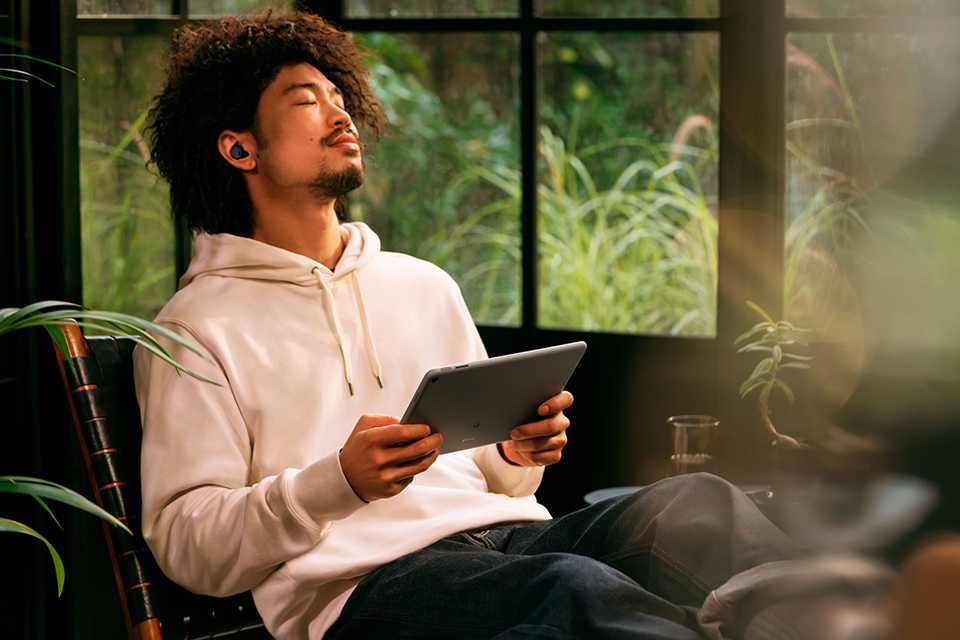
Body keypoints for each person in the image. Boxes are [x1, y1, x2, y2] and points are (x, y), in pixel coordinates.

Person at [134, 11, 793, 639]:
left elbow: (494, 475)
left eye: (339, 95)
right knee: (574, 589)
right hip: (366, 586)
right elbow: (188, 545)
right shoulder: (196, 327)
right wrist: (336, 482)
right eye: (307, 101)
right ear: (239, 147)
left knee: (695, 508)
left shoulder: (421, 284)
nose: (341, 114)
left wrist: (514, 453)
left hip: (510, 539)